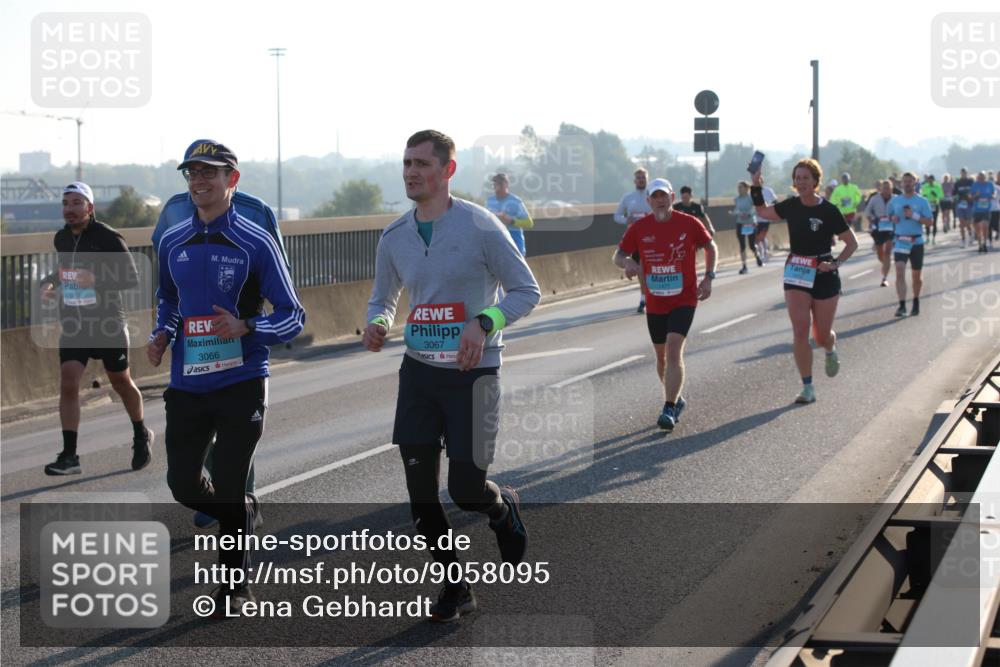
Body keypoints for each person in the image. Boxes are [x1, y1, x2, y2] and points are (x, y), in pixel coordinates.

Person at [363, 130, 540, 622]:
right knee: (421, 499)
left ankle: (502, 508)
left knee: (465, 490)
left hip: (473, 375)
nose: (411, 172)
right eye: (407, 163)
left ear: (448, 170)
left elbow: (526, 291)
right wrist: (378, 321)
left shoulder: (481, 226)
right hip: (419, 374)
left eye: (422, 163)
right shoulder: (394, 235)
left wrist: (484, 322)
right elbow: (383, 297)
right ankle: (455, 585)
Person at [147, 140, 305, 617]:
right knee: (183, 485)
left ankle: (234, 588)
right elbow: (168, 300)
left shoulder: (256, 241)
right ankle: (241, 512)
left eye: (209, 173)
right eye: (192, 173)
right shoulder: (173, 241)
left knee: (231, 481)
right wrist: (162, 333)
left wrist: (247, 326)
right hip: (188, 383)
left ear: (231, 180)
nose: (199, 181)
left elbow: (293, 316)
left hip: (242, 381)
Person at [39, 182, 153, 475]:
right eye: (66, 203)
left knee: (121, 382)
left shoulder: (108, 237)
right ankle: (70, 456)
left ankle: (141, 434)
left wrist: (97, 280)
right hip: (75, 323)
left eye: (77, 203)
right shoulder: (62, 238)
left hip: (108, 323)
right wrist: (49, 283)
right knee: (68, 382)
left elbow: (131, 278)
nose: (70, 209)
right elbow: (64, 271)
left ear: (89, 207)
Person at [752, 159, 858, 404]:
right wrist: (756, 185)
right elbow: (762, 212)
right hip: (797, 270)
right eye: (797, 178)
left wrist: (835, 264)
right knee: (800, 330)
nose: (801, 183)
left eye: (805, 178)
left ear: (815, 181)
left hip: (823, 273)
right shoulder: (791, 205)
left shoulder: (828, 210)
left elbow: (851, 242)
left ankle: (829, 347)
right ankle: (807, 387)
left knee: (821, 336)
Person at [614, 178, 717, 431]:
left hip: (684, 298)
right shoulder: (639, 228)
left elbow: (710, 246)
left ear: (672, 198)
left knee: (673, 349)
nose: (660, 200)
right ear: (648, 201)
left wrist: (708, 277)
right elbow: (618, 255)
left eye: (664, 196)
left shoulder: (689, 223)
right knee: (661, 357)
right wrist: (627, 262)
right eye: (655, 197)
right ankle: (676, 398)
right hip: (655, 301)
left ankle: (668, 407)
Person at [887, 172, 933, 316]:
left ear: (915, 183)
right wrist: (893, 218)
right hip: (900, 240)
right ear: (901, 183)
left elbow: (929, 222)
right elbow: (889, 214)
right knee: (899, 270)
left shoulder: (922, 201)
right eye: (904, 181)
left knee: (916, 276)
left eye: (909, 181)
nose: (907, 184)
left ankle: (916, 301)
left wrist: (913, 215)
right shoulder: (895, 200)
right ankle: (902, 306)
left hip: (916, 241)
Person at [615, 168, 653, 313]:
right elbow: (617, 216)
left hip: (652, 237)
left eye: (643, 177)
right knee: (640, 268)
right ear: (634, 181)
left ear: (647, 179)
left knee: (648, 268)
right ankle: (644, 298)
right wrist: (626, 219)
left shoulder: (654, 195)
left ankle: (650, 296)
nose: (641, 180)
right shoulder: (628, 197)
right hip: (635, 238)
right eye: (638, 178)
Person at [486, 172, 533, 256]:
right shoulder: (490, 201)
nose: (497, 187)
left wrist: (511, 221)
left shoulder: (516, 201)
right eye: (495, 184)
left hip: (515, 247)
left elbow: (529, 223)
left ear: (506, 185)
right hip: (497, 248)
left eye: (499, 184)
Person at [864, 180, 896, 286]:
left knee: (888, 252)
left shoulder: (896, 199)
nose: (886, 190)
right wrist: (872, 220)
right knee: (880, 254)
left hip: (891, 228)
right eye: (884, 188)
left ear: (891, 189)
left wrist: (895, 218)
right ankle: (886, 264)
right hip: (878, 229)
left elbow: (900, 212)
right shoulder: (875, 198)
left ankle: (884, 278)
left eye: (888, 188)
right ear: (881, 189)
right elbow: (867, 212)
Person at [730, 181, 758, 273]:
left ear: (746, 188)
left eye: (741, 187)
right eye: (738, 188)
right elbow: (736, 209)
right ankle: (744, 266)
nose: (739, 189)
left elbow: (755, 208)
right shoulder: (737, 199)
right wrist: (734, 213)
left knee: (751, 245)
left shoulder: (751, 198)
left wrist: (749, 214)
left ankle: (757, 256)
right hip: (740, 223)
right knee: (742, 245)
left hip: (750, 223)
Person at [970, 170, 996, 253]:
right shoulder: (974, 185)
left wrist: (993, 196)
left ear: (985, 177)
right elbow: (970, 197)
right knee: (978, 229)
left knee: (985, 227)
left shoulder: (990, 184)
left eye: (983, 177)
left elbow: (994, 193)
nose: (981, 178)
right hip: (977, 210)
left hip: (986, 210)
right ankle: (980, 244)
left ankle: (985, 243)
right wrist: (976, 196)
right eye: (980, 177)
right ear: (978, 177)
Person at [954, 168, 975, 247]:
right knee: (961, 223)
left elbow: (974, 192)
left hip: (969, 204)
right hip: (960, 204)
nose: (963, 174)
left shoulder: (970, 181)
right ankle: (963, 240)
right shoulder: (958, 183)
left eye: (965, 173)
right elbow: (954, 193)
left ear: (967, 173)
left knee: (968, 223)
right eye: (962, 173)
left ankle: (971, 234)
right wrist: (955, 197)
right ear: (960, 173)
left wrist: (971, 196)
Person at [920, 174, 943, 244]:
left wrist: (935, 194)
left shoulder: (937, 186)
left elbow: (941, 195)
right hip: (927, 205)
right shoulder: (925, 186)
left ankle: (934, 238)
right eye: (929, 180)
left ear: (933, 180)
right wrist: (924, 195)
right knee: (927, 221)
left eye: (931, 180)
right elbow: (922, 194)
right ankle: (927, 237)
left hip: (935, 204)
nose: (930, 181)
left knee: (934, 221)